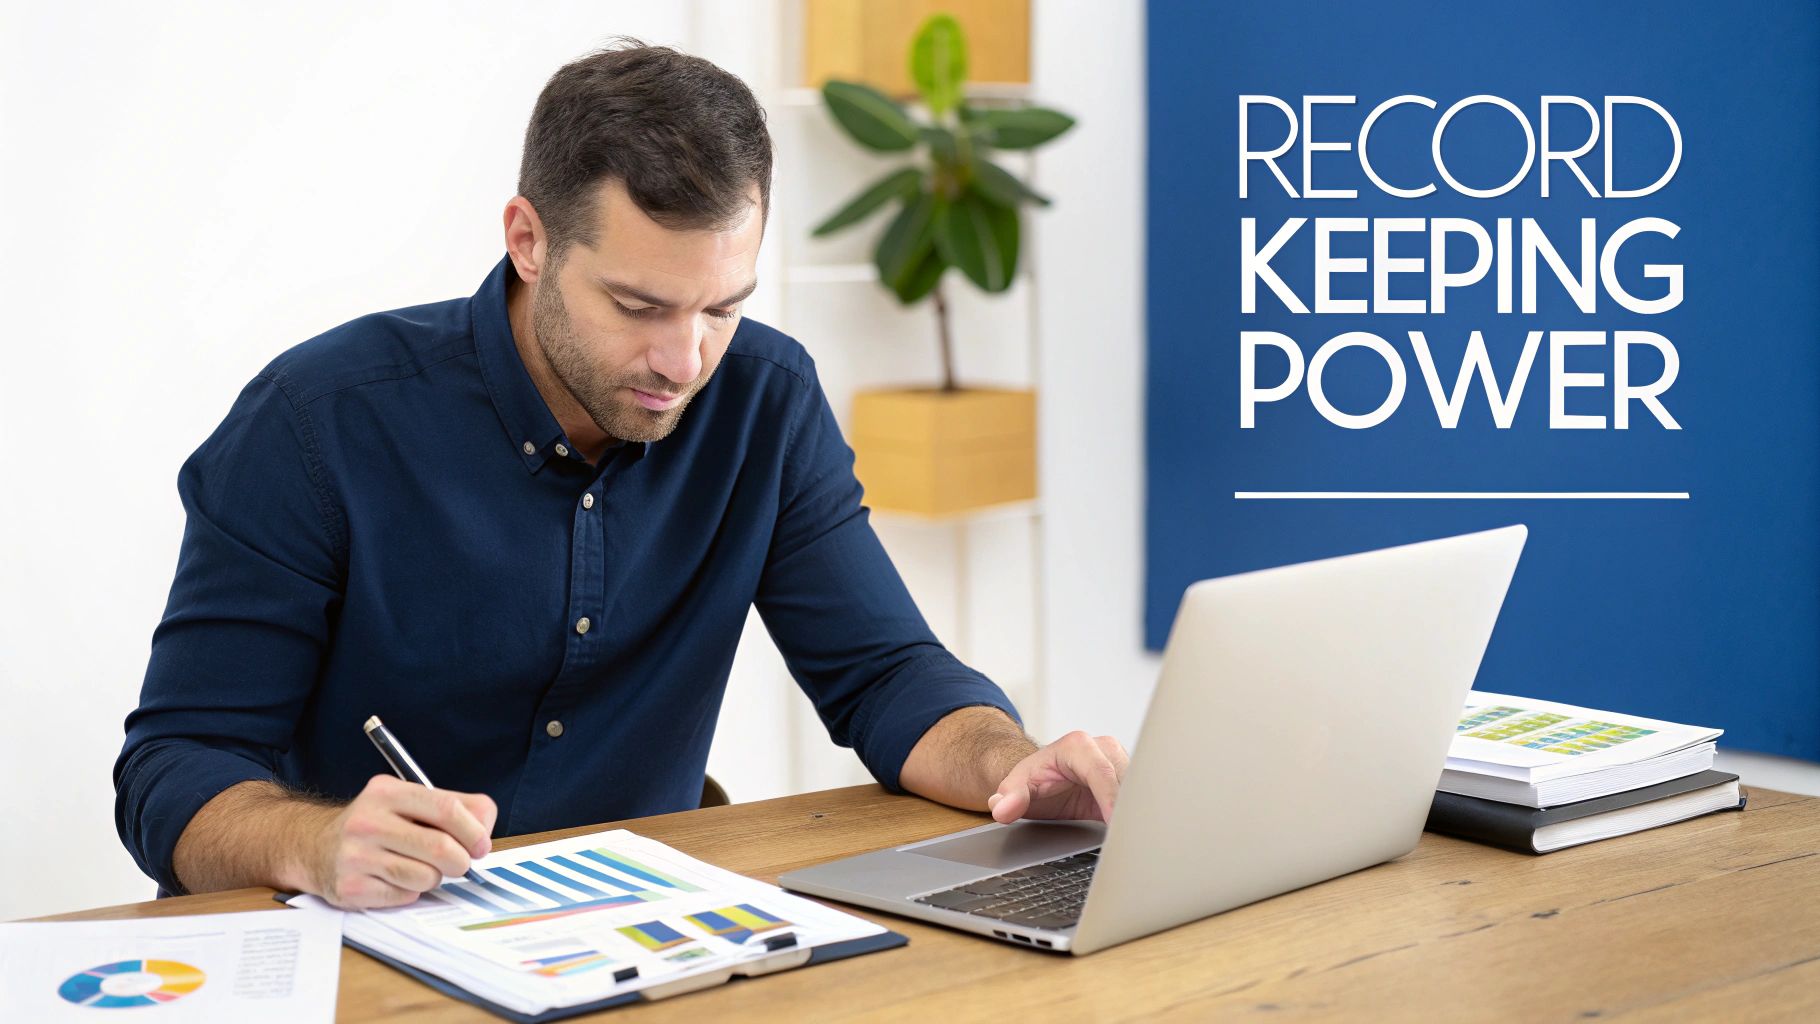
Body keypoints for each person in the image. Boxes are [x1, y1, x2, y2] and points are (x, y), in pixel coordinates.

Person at [114, 41, 1128, 909]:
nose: (684, 361)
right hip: (362, 943)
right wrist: (312, 844)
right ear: (527, 240)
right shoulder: (316, 423)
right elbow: (174, 768)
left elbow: (884, 675)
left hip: (636, 927)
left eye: (721, 307)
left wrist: (1010, 765)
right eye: (639, 306)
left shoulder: (764, 400)